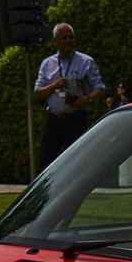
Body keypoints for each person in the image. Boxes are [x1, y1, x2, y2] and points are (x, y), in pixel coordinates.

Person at [32, 22, 104, 168]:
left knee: (79, 163)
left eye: (71, 37)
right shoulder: (47, 63)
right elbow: (38, 93)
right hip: (54, 121)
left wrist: (88, 99)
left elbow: (99, 87)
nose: (68, 40)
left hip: (76, 120)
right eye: (64, 37)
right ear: (55, 41)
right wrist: (54, 85)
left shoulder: (86, 61)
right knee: (47, 162)